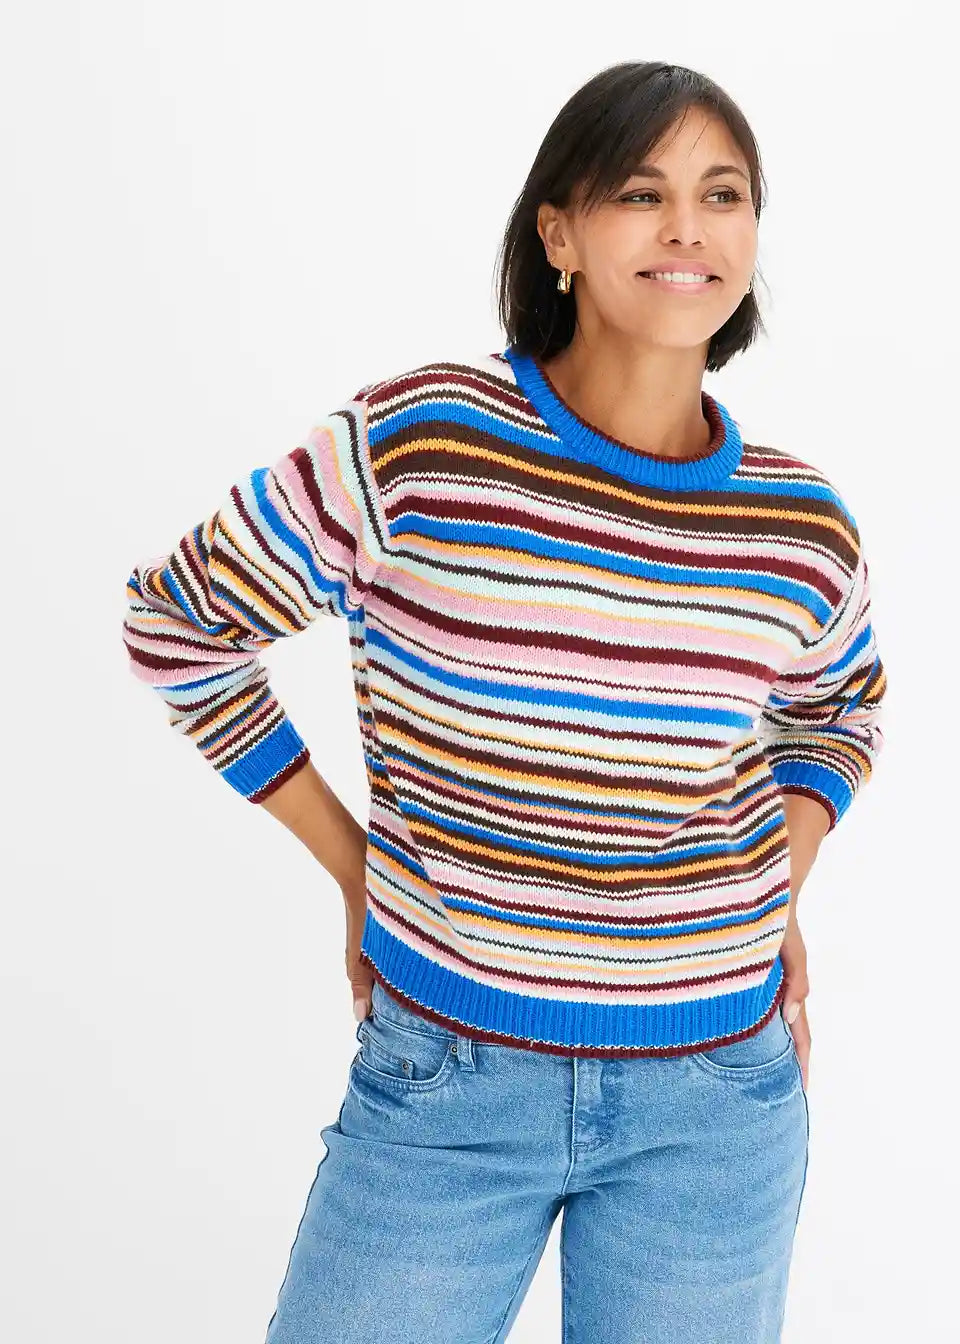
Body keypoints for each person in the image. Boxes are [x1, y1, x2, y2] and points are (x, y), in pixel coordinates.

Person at [122, 60, 886, 1344]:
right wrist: (356, 868)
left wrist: (778, 885)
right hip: (447, 1079)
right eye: (641, 193)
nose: (689, 228)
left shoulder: (799, 524)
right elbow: (177, 622)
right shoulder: (424, 444)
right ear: (559, 234)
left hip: (718, 1100)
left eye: (723, 195)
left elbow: (839, 713)